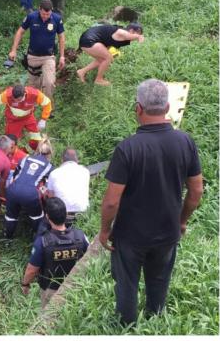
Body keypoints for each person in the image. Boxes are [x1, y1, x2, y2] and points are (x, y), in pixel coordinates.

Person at [99, 79, 203, 326]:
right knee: (159, 280)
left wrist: (105, 230)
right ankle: (155, 319)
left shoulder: (127, 149)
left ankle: (127, 326)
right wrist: (182, 221)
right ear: (167, 107)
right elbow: (196, 190)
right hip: (168, 230)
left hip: (130, 235)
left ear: (138, 108)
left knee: (127, 283)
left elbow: (111, 202)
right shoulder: (185, 142)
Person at [21, 197, 89, 308]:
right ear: (66, 214)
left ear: (47, 217)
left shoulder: (42, 242)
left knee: (48, 317)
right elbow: (90, 257)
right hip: (76, 285)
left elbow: (31, 270)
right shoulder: (80, 236)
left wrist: (25, 284)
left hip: (51, 289)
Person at [8, 0, 66, 99]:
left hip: (48, 57)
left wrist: (62, 56)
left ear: (51, 11)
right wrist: (13, 50)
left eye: (48, 14)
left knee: (49, 82)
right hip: (32, 57)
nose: (45, 17)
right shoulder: (31, 17)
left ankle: (48, 107)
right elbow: (19, 32)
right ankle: (33, 105)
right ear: (39, 9)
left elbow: (61, 37)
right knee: (34, 86)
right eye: (43, 14)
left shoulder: (57, 19)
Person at [4, 138, 54, 239]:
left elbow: (14, 176)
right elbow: (48, 187)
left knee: (11, 216)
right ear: (49, 153)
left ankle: (7, 238)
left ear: (37, 150)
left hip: (13, 190)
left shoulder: (26, 159)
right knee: (37, 217)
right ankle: (40, 238)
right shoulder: (49, 166)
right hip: (30, 194)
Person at [0, 84, 52, 151]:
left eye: (18, 100)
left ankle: (34, 153)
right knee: (10, 142)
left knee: (36, 138)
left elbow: (47, 103)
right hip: (13, 120)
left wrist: (43, 119)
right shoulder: (7, 95)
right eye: (14, 100)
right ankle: (13, 157)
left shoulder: (34, 94)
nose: (16, 101)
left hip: (28, 117)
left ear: (24, 94)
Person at [76, 23, 145, 86]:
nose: (137, 36)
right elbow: (128, 35)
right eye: (138, 33)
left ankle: (81, 72)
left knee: (102, 59)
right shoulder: (122, 32)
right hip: (89, 40)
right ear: (131, 31)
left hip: (89, 40)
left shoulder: (121, 36)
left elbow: (108, 42)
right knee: (108, 58)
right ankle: (99, 79)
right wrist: (138, 37)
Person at [46, 148, 90, 225]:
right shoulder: (85, 171)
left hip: (61, 215)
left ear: (62, 160)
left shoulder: (54, 173)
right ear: (77, 160)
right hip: (82, 214)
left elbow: (51, 197)